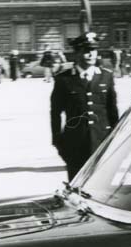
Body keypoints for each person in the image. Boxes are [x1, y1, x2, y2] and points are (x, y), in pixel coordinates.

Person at [50, 32, 119, 179]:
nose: (91, 54)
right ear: (77, 53)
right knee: (77, 189)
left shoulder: (106, 77)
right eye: (86, 50)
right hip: (75, 145)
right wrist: (58, 141)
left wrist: (115, 138)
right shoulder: (64, 79)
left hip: (102, 142)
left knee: (101, 187)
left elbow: (112, 111)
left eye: (93, 50)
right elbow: (55, 113)